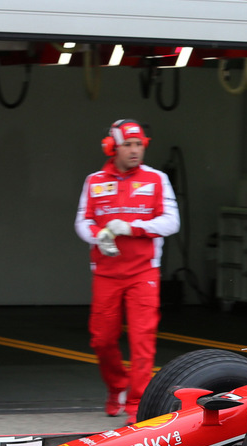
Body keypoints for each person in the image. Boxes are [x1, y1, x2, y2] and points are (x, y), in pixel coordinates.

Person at [74, 120, 179, 424]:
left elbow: (172, 223)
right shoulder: (93, 181)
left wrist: (133, 228)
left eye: (139, 145)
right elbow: (83, 221)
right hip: (106, 272)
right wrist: (100, 237)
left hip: (143, 272)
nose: (135, 151)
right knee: (101, 339)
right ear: (112, 148)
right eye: (128, 145)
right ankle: (117, 386)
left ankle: (137, 402)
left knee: (142, 340)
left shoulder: (157, 179)